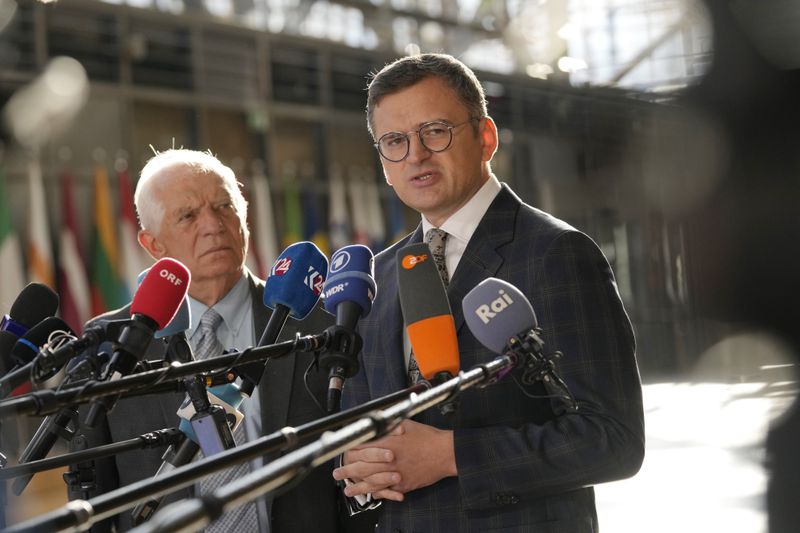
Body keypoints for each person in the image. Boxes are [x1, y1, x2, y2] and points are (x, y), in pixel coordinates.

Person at [333, 53, 645, 532]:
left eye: (434, 131)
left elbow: (612, 439)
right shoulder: (376, 277)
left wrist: (451, 455)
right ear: (383, 162)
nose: (415, 154)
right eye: (395, 141)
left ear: (486, 137)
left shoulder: (556, 254)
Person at [67, 149, 369, 532]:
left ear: (245, 214)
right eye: (189, 215)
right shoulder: (113, 345)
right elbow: (92, 494)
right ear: (153, 244)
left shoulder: (321, 323)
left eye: (225, 205)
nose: (214, 225)